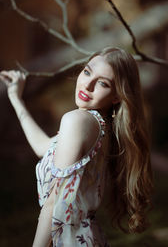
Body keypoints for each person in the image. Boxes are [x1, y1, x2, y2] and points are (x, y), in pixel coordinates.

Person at [0, 47, 153, 247]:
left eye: (102, 83)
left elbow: (54, 203)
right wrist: (16, 98)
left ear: (116, 96)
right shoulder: (101, 125)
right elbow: (43, 147)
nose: (87, 85)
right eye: (87, 72)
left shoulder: (77, 121)